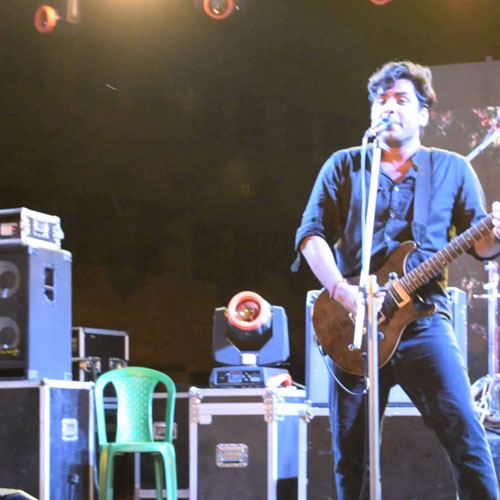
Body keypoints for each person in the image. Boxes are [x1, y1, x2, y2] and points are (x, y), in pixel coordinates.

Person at [294, 60, 500, 500]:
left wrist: (495, 233)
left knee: (466, 434)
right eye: (381, 100)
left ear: (423, 114)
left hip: (423, 320)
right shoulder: (344, 166)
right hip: (355, 324)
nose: (389, 107)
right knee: (351, 456)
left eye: (401, 99)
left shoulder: (452, 169)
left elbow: (483, 246)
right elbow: (310, 236)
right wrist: (343, 293)